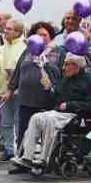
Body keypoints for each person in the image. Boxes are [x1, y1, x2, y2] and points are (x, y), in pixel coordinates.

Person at [13, 53, 91, 171]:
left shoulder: (89, 81)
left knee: (50, 120)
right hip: (58, 113)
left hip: (76, 115)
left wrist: (70, 105)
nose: (64, 67)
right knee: (36, 117)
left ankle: (44, 159)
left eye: (67, 64)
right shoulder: (65, 79)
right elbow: (55, 97)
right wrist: (49, 89)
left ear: (76, 66)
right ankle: (26, 157)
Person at [9, 21, 64, 170]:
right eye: (38, 35)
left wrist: (45, 63)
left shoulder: (58, 52)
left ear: (50, 36)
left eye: (45, 35)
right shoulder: (28, 51)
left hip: (46, 100)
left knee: (46, 133)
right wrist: (10, 89)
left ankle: (47, 162)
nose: (41, 38)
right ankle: (22, 161)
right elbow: (18, 71)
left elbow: (61, 73)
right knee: (22, 131)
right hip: (26, 98)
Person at [0, 17, 26, 161]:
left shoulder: (25, 48)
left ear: (18, 32)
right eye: (6, 28)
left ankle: (20, 151)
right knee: (5, 123)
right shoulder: (0, 49)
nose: (5, 31)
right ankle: (9, 150)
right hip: (3, 92)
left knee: (19, 122)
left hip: (21, 93)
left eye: (9, 29)